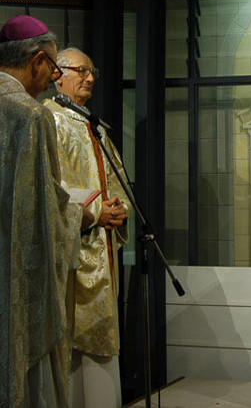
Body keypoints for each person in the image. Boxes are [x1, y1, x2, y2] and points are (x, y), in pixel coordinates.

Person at [0, 15, 93, 407]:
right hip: (16, 274)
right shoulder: (30, 115)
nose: (51, 77)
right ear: (37, 61)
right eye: (53, 67)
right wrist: (86, 216)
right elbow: (44, 212)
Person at [44, 47, 130, 408]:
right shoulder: (48, 121)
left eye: (93, 71)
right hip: (69, 255)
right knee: (70, 350)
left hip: (101, 251)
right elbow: (49, 188)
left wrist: (120, 209)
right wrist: (96, 210)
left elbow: (118, 181)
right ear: (57, 73)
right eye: (82, 70)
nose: (90, 78)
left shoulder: (92, 124)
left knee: (101, 362)